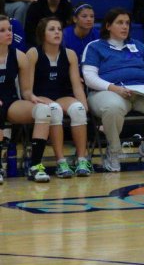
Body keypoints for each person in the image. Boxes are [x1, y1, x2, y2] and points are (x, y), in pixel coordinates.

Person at [80, 8, 144, 172]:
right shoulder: (94, 47)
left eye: (127, 23)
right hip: (107, 92)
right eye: (120, 23)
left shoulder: (138, 45)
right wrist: (114, 88)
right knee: (112, 107)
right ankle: (113, 151)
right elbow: (89, 77)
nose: (125, 27)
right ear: (108, 26)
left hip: (141, 92)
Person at [22, 16, 92, 179]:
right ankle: (61, 162)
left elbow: (76, 86)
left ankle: (82, 160)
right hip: (40, 97)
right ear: (42, 33)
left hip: (63, 96)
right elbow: (27, 90)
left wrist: (84, 104)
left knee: (79, 109)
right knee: (54, 109)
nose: (57, 32)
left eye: (59, 29)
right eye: (52, 29)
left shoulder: (70, 54)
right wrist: (33, 97)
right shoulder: (33, 53)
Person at [0, 15, 46, 183]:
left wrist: (32, 97)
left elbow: (26, 90)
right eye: (2, 30)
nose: (8, 33)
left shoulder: (19, 56)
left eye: (9, 29)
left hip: (11, 102)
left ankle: (35, 166)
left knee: (43, 110)